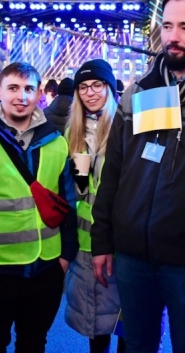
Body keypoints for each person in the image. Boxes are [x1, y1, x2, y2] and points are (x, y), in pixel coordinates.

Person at [91, 0, 185, 353]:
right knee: (138, 345)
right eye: (167, 26)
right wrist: (103, 240)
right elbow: (115, 169)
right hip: (133, 255)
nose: (173, 37)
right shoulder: (139, 91)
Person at [0, 62, 78, 353]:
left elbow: (69, 203)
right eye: (13, 88)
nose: (21, 96)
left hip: (46, 269)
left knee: (34, 343)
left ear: (39, 94)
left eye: (29, 88)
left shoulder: (56, 142)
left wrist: (66, 256)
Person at [64, 60, 124, 353]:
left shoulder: (125, 129)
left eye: (97, 85)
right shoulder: (74, 134)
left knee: (127, 324)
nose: (90, 93)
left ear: (109, 88)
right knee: (96, 323)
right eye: (83, 87)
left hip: (122, 243)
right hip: (86, 245)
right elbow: (81, 190)